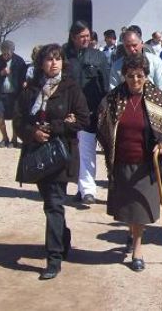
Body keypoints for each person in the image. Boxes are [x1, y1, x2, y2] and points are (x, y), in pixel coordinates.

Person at [13, 43, 90, 280]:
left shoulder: (71, 88)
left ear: (62, 62)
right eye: (49, 59)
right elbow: (18, 120)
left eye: (57, 59)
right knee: (50, 202)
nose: (53, 63)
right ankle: (62, 236)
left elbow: (84, 118)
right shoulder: (31, 89)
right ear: (41, 63)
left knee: (53, 204)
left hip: (61, 153)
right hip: (37, 154)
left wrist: (56, 127)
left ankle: (53, 258)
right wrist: (32, 133)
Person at [96, 54, 162, 272]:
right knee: (128, 208)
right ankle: (132, 234)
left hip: (145, 164)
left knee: (140, 209)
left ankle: (137, 249)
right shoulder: (113, 98)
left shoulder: (156, 98)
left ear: (146, 76)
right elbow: (102, 123)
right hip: (122, 161)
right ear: (124, 76)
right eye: (130, 76)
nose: (135, 81)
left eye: (140, 76)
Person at [63, 21, 110, 205]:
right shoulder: (63, 56)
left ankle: (88, 190)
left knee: (87, 150)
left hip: (89, 113)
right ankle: (80, 188)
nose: (86, 39)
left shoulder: (98, 57)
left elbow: (105, 85)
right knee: (71, 152)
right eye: (82, 36)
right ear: (73, 37)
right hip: (67, 112)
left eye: (87, 35)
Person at [0, 40, 27, 147]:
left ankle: (14, 140)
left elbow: (24, 76)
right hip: (0, 94)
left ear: (12, 51)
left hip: (15, 95)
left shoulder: (19, 61)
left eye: (7, 53)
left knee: (15, 117)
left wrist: (24, 83)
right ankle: (5, 138)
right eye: (3, 53)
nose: (5, 55)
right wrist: (1, 73)